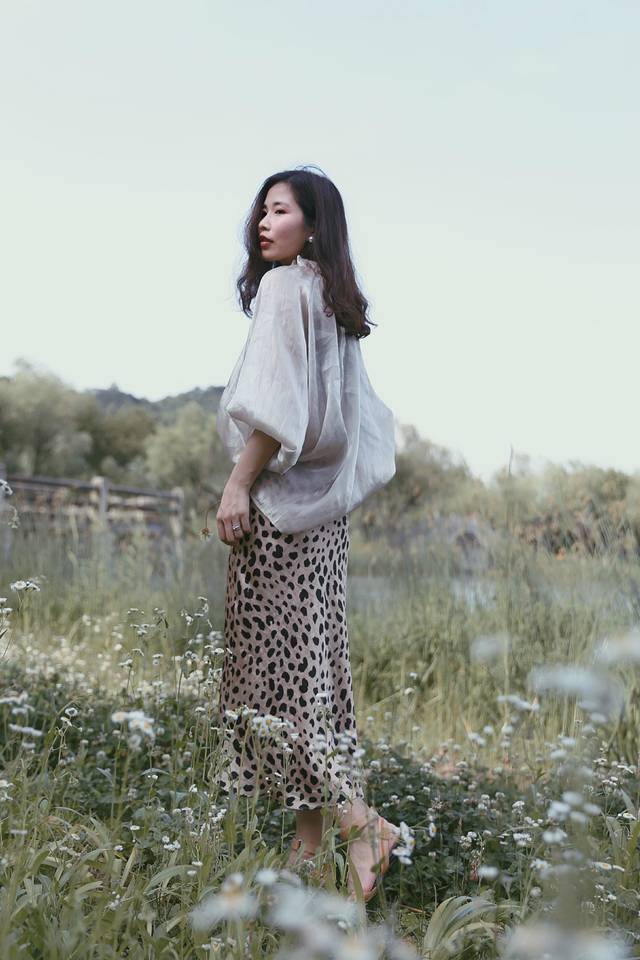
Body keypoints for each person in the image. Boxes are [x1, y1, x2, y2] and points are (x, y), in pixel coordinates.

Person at [213, 166, 400, 901]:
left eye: (280, 211)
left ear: (313, 224)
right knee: (310, 676)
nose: (264, 223)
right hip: (324, 521)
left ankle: (362, 827)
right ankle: (310, 842)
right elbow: (362, 423)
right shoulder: (332, 296)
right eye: (261, 211)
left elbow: (275, 406)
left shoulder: (286, 287)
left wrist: (237, 484)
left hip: (280, 518)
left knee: (276, 684)